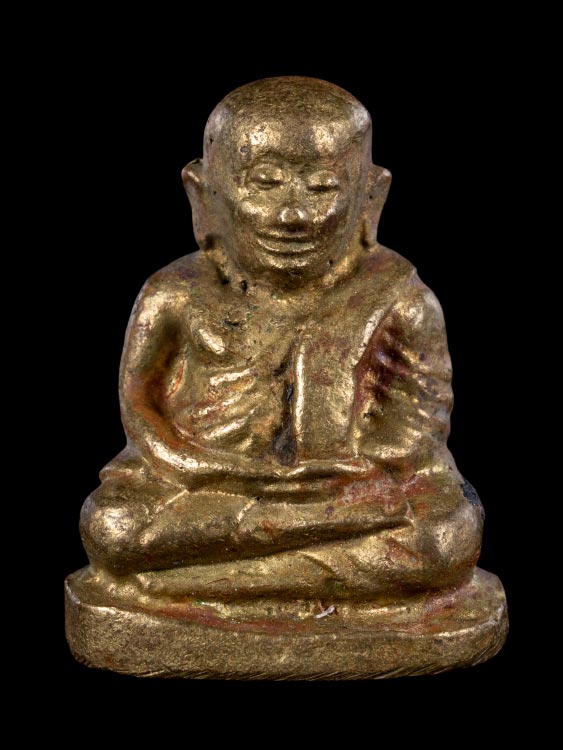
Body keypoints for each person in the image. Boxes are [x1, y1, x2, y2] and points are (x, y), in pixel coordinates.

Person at [79, 77, 483, 601]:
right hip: (208, 486)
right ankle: (294, 567)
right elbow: (140, 406)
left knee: (444, 536)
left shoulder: (398, 297)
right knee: (112, 525)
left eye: (321, 187)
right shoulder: (175, 293)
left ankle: (195, 583)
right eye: (265, 183)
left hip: (346, 492)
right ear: (203, 193)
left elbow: (422, 417)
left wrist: (361, 473)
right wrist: (205, 467)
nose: (292, 216)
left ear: (371, 195)